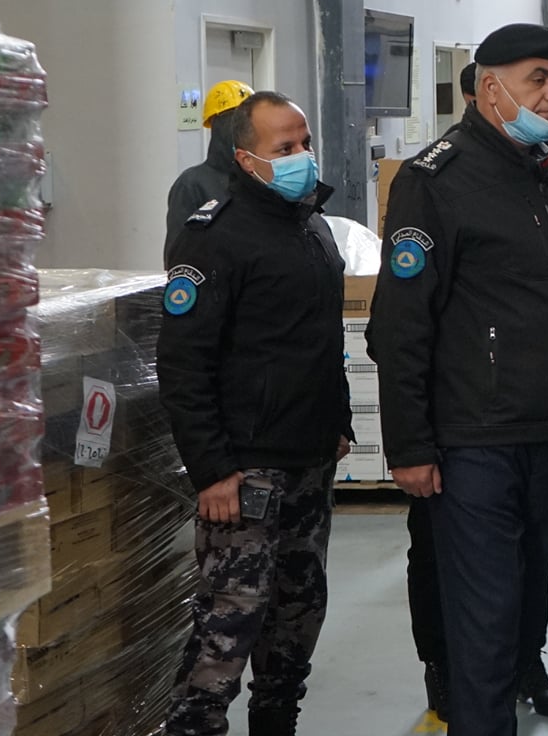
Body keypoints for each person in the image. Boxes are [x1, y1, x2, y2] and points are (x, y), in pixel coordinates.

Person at [369, 23, 548, 735]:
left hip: (546, 431)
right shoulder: (436, 182)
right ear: (489, 86)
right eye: (538, 78)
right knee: (484, 620)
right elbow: (400, 325)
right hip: (472, 439)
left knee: (526, 607)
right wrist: (409, 445)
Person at [156, 92, 353, 736]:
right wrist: (211, 470)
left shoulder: (313, 227)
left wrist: (339, 420)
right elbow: (183, 364)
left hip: (309, 460)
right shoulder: (214, 236)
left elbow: (320, 338)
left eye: (305, 143)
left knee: (298, 613)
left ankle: (277, 722)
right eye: (284, 148)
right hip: (245, 472)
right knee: (228, 622)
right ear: (246, 158)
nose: (302, 157)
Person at [165, 79, 254, 246]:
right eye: (235, 122)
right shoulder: (192, 184)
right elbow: (178, 252)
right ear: (218, 125)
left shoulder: (259, 179)